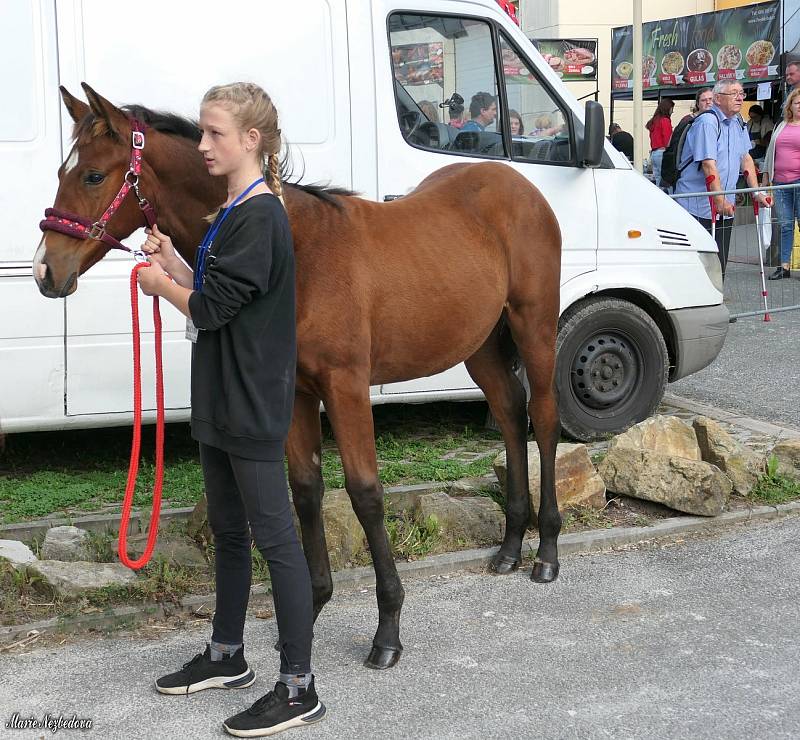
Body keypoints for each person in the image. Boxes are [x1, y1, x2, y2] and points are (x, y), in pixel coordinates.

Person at [136, 81, 325, 737]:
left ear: (252, 140)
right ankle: (226, 654)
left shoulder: (261, 215)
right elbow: (219, 292)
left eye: (215, 133)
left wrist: (163, 287)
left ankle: (299, 686)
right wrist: (179, 265)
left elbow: (212, 309)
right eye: (202, 131)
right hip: (220, 398)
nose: (202, 144)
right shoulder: (231, 210)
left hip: (249, 403)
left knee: (278, 545)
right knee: (231, 533)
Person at [674, 80, 769, 278]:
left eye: (741, 93)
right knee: (700, 267)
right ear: (718, 99)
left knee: (719, 265)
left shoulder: (738, 121)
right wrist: (719, 199)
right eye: (733, 93)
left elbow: (746, 159)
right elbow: (708, 164)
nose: (740, 97)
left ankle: (715, 302)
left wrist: (756, 191)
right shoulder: (707, 122)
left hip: (725, 206)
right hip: (698, 205)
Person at [763, 87, 800, 280]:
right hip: (780, 181)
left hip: (799, 182)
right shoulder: (782, 125)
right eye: (798, 103)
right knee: (785, 225)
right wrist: (766, 177)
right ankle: (784, 266)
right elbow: (771, 151)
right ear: (790, 106)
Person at [645, 98, 674, 185]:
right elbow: (668, 140)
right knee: (668, 181)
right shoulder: (665, 120)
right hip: (663, 153)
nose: (672, 112)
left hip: (654, 153)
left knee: (658, 181)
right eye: (672, 109)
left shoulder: (654, 121)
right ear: (668, 108)